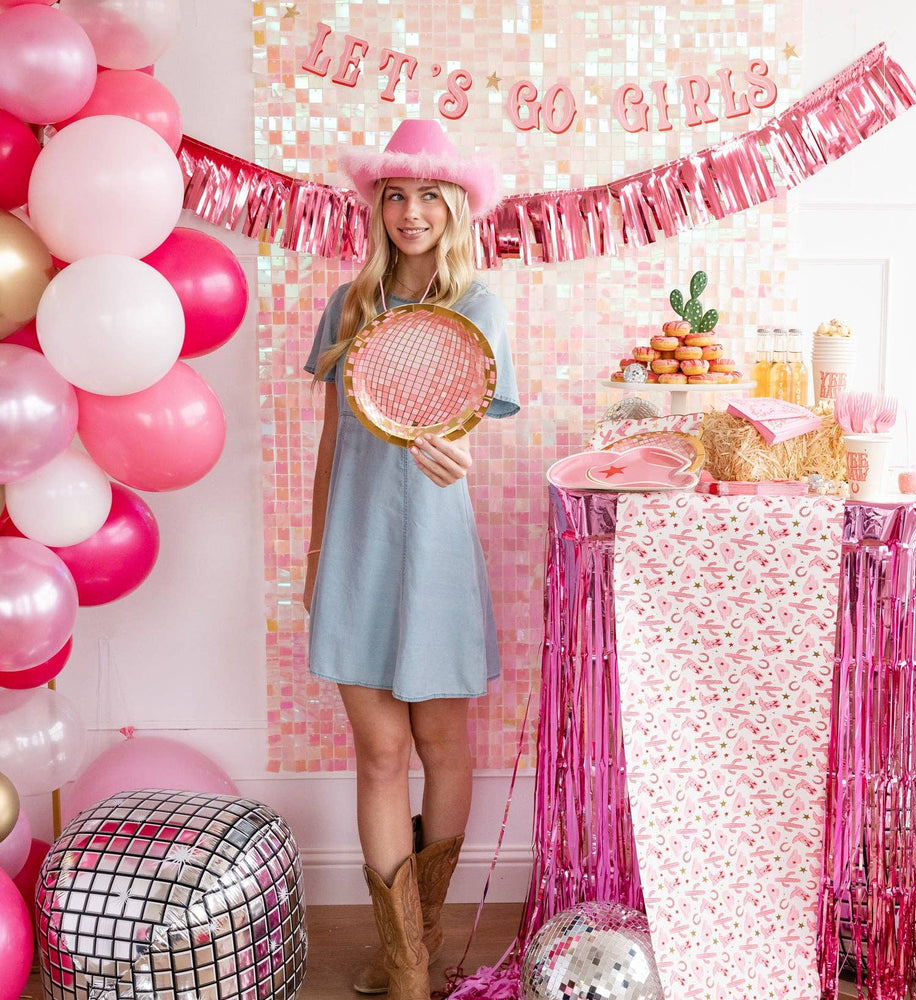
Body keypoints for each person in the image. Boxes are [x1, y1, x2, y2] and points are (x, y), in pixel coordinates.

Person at [303, 119, 519, 1000]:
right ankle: (406, 972)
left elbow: (471, 438)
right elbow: (328, 441)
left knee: (442, 744)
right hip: (355, 549)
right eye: (395, 195)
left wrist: (459, 453)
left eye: (429, 194)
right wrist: (317, 552)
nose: (411, 211)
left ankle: (421, 937)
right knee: (379, 751)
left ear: (456, 206)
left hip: (432, 552)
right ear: (377, 206)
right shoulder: (350, 305)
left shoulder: (478, 309)